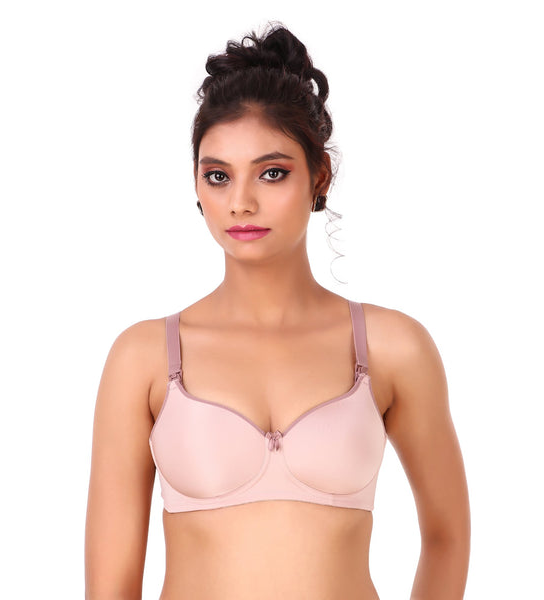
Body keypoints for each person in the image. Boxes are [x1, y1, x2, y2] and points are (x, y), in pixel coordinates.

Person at [84, 23, 470, 600]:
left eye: (272, 173)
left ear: (320, 175)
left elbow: (446, 537)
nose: (240, 202)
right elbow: (111, 586)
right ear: (197, 186)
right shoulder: (143, 358)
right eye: (218, 176)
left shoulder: (392, 347)